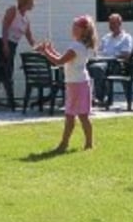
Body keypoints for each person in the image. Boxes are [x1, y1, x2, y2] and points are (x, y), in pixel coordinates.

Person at [37, 15, 97, 151]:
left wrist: (45, 52)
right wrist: (50, 51)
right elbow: (64, 59)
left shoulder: (76, 46)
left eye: (75, 27)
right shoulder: (81, 45)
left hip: (77, 84)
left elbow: (58, 61)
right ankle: (85, 144)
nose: (72, 29)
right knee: (81, 116)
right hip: (78, 83)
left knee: (74, 115)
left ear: (83, 30)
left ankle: (67, 144)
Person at [0, 0, 36, 108]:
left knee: (4, 71)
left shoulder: (26, 19)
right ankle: (10, 99)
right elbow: (4, 27)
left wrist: (40, 48)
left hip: (13, 44)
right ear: (25, 2)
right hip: (4, 41)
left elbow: (30, 37)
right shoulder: (13, 11)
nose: (33, 4)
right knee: (5, 70)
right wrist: (5, 45)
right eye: (32, 2)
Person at [89, 13, 133, 106]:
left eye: (113, 23)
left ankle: (100, 98)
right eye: (110, 23)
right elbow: (98, 51)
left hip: (117, 65)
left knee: (97, 69)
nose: (111, 25)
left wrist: (112, 57)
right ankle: (85, 98)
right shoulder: (106, 37)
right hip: (103, 62)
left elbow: (126, 54)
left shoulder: (126, 38)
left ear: (120, 23)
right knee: (86, 67)